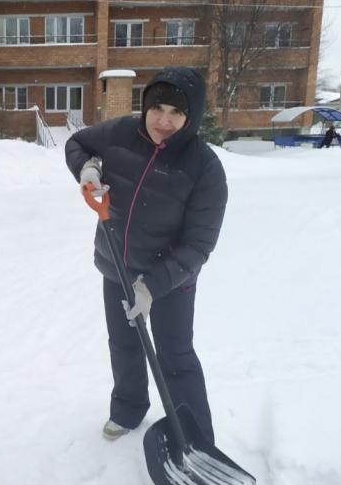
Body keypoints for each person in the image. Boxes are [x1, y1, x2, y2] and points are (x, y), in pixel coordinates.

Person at [65, 67, 227, 444]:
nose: (164, 121)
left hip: (170, 280)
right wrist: (87, 168)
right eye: (157, 108)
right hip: (117, 268)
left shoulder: (204, 168)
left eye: (176, 112)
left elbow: (199, 245)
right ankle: (128, 408)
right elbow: (78, 143)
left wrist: (151, 287)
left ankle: (196, 439)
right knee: (124, 345)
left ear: (192, 118)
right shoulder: (122, 132)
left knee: (175, 356)